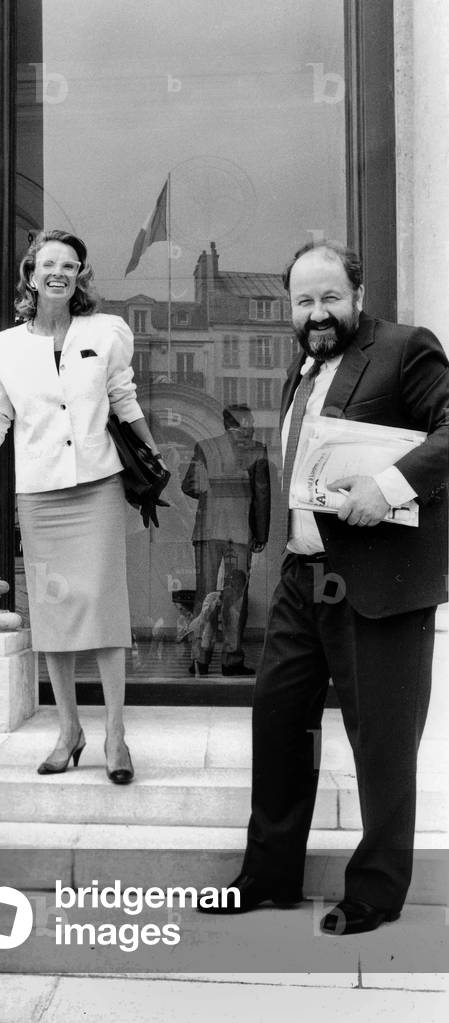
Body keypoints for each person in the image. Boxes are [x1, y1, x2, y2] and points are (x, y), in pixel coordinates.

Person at [199, 240, 448, 934]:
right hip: (301, 577)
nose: (316, 312)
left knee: (383, 744)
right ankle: (268, 877)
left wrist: (389, 484)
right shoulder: (301, 370)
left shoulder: (404, 349)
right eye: (303, 300)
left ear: (357, 296)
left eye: (330, 297)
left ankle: (374, 894)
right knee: (279, 724)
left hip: (381, 584)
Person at [0, 229, 165, 785]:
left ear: (80, 276)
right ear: (31, 275)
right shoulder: (2, 348)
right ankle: (68, 731)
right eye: (49, 264)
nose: (58, 272)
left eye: (69, 264)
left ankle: (115, 734)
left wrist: (152, 452)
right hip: (39, 492)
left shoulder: (106, 331)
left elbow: (123, 397)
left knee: (105, 607)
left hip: (98, 484)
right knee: (53, 611)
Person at [181, 405, 270, 675]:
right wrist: (261, 534)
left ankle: (200, 658)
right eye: (250, 421)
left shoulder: (205, 447)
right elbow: (262, 496)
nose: (253, 426)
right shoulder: (257, 451)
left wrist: (212, 497)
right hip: (240, 533)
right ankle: (232, 659)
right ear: (244, 422)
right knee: (235, 597)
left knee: (204, 593)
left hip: (207, 530)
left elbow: (189, 486)